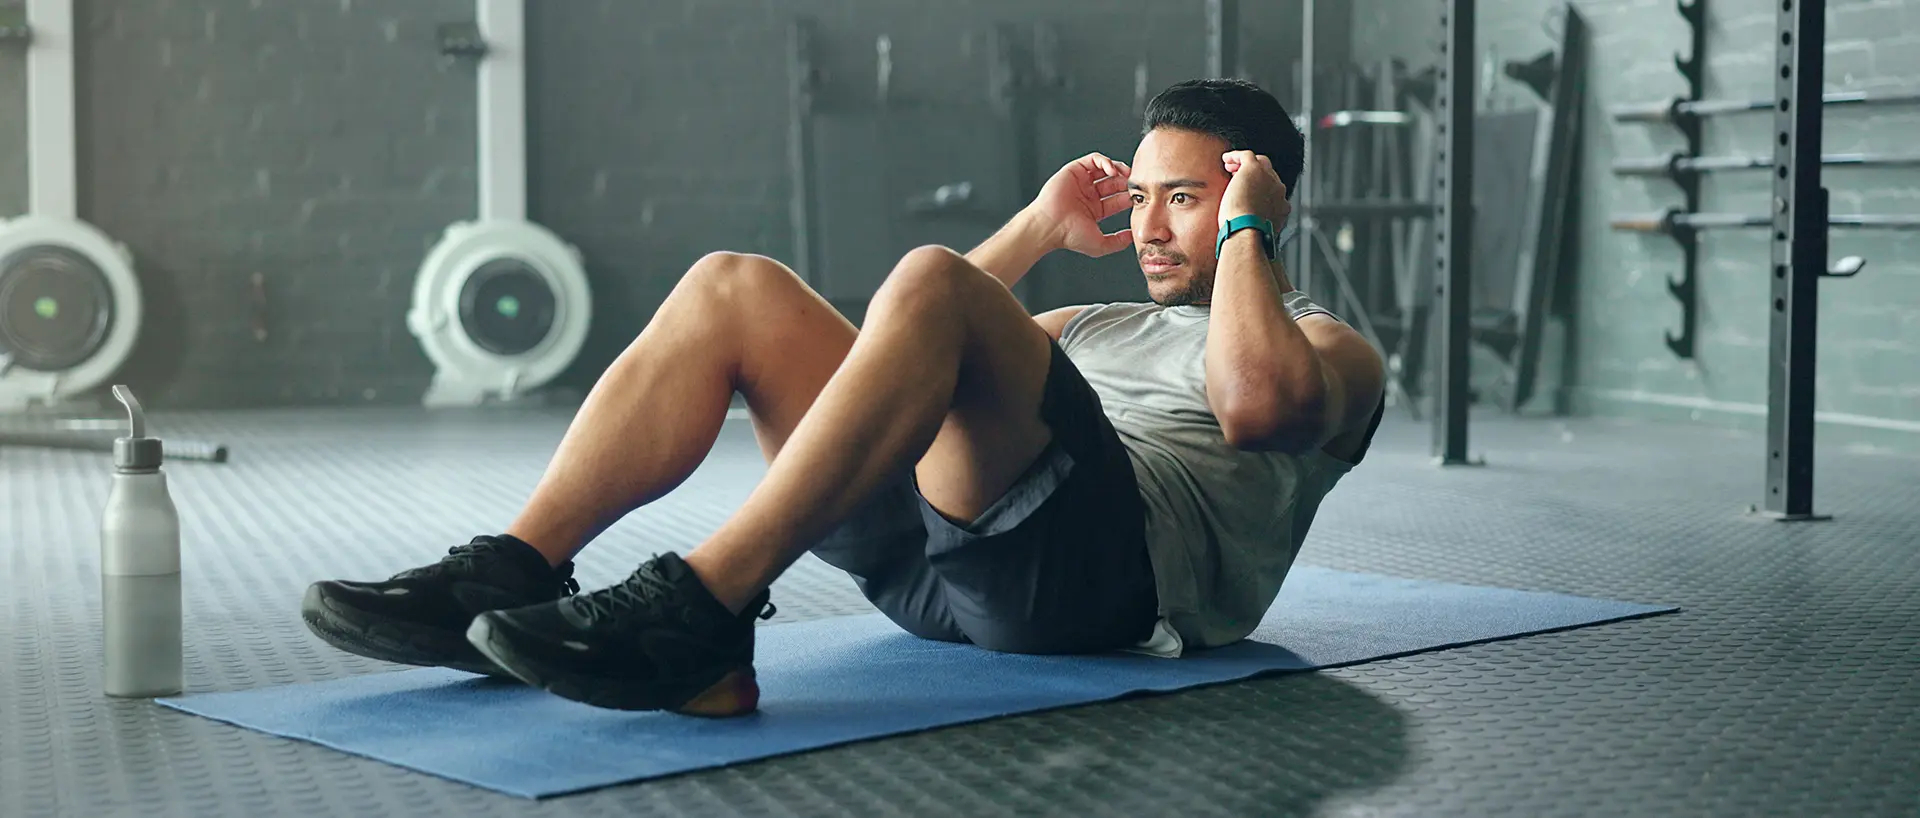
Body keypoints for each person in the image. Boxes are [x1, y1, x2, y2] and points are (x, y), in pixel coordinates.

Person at [301, 78, 1386, 717]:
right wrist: (1038, 232)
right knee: (739, 286)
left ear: (1257, 200)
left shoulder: (1330, 348)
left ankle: (705, 609)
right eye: (1141, 198)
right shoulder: (1093, 326)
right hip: (940, 569)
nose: (1148, 227)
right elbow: (889, 367)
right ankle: (513, 565)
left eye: (1184, 199)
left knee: (928, 276)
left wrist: (1249, 225)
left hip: (1090, 591)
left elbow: (1255, 409)